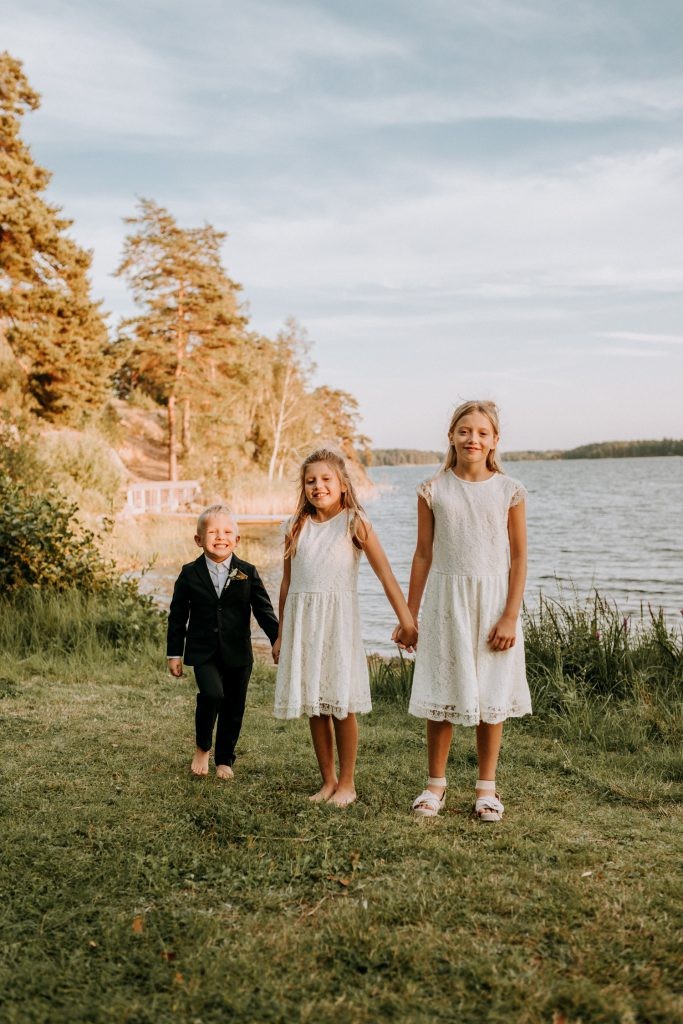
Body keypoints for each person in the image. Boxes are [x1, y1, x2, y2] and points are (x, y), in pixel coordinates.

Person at [398, 401, 531, 821]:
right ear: (452, 436)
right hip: (445, 601)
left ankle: (486, 789)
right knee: (443, 690)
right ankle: (434, 785)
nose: (473, 439)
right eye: (464, 431)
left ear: (494, 441)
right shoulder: (432, 489)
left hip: (493, 602)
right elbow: (423, 554)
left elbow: (520, 558)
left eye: (482, 433)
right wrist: (409, 615)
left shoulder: (509, 490)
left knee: (491, 692)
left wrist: (510, 615)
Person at [273, 448, 418, 807]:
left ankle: (348, 783)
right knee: (315, 705)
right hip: (305, 624)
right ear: (303, 487)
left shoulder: (355, 522)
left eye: (325, 479)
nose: (317, 486)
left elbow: (385, 576)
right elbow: (287, 585)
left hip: (337, 623)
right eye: (310, 481)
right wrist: (281, 633)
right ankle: (328, 781)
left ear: (342, 484)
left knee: (341, 703)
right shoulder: (295, 527)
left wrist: (407, 622)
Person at [167, 505, 278, 779]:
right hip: (203, 651)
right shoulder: (189, 573)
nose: (220, 537)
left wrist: (278, 641)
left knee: (234, 705)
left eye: (227, 532)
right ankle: (203, 747)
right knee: (212, 695)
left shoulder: (247, 572)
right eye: (213, 532)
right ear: (199, 539)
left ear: (237, 540)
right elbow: (178, 615)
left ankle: (225, 758)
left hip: (239, 653)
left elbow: (264, 611)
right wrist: (174, 654)